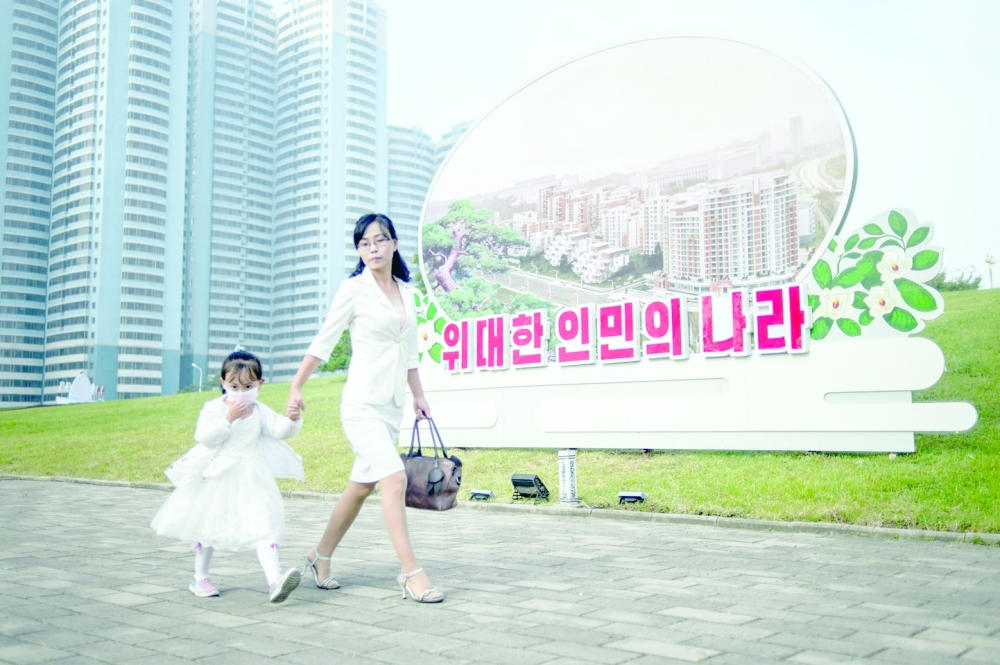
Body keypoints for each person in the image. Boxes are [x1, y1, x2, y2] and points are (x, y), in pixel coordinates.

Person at [286, 213, 443, 604]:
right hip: (360, 405)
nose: (372, 248)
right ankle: (411, 573)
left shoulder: (409, 294)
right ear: (359, 249)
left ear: (394, 243)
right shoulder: (353, 290)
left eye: (379, 240)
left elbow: (409, 351)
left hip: (390, 407)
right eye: (364, 243)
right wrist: (296, 385)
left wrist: (418, 396)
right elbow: (325, 339)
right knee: (394, 479)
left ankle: (319, 555)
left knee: (360, 489)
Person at [151, 348, 305, 603]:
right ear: (223, 382)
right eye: (234, 386)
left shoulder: (260, 409)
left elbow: (279, 431)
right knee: (210, 524)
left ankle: (275, 579)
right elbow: (204, 437)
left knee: (262, 522)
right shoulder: (214, 408)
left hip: (252, 475)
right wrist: (229, 418)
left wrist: (292, 419)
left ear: (260, 384)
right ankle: (200, 576)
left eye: (248, 386)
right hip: (219, 474)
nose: (241, 392)